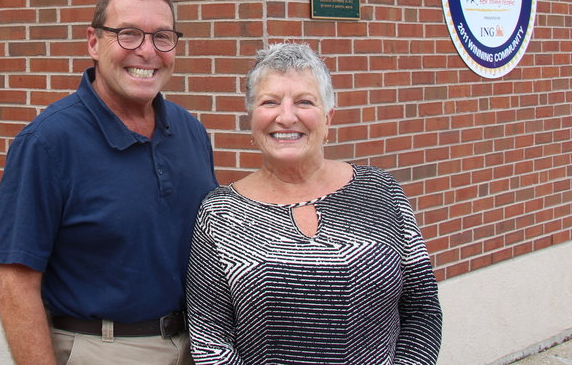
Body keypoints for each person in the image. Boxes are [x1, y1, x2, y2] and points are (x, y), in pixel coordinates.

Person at [0, 0, 218, 365]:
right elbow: (15, 284)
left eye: (162, 36)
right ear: (94, 42)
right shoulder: (47, 143)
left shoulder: (190, 131)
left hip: (195, 347)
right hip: (102, 349)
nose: (147, 51)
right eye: (128, 34)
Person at [186, 42, 442, 364]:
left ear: (328, 118)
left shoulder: (381, 190)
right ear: (252, 118)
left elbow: (422, 308)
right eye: (270, 102)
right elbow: (210, 335)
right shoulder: (219, 211)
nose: (286, 116)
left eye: (304, 102)